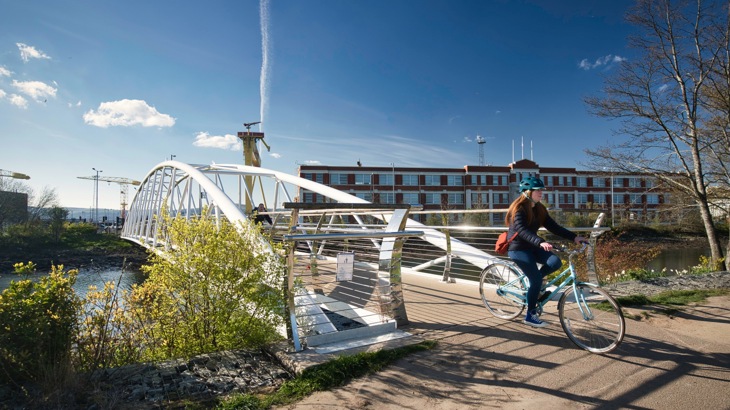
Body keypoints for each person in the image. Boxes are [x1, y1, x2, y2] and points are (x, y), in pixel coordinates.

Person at [505, 176, 587, 328]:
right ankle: (530, 315)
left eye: (542, 190)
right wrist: (540, 242)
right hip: (518, 248)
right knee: (535, 279)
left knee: (555, 262)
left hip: (532, 246)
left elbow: (554, 227)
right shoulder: (519, 209)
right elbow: (522, 231)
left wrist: (574, 237)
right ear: (527, 192)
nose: (541, 192)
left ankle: (536, 288)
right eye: (538, 190)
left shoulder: (539, 208)